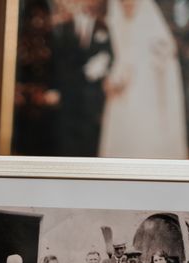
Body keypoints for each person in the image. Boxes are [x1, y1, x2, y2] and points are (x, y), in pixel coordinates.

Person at [99, 0, 188, 159]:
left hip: (147, 93)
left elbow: (166, 56)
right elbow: (116, 59)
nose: (126, 4)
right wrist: (112, 80)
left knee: (144, 137)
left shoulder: (152, 25)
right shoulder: (116, 24)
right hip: (121, 96)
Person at [50, 0, 114, 156]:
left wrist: (99, 69)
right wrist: (55, 88)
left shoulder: (102, 28)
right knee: (68, 135)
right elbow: (57, 60)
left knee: (90, 135)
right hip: (69, 92)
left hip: (92, 94)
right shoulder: (64, 28)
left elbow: (109, 55)